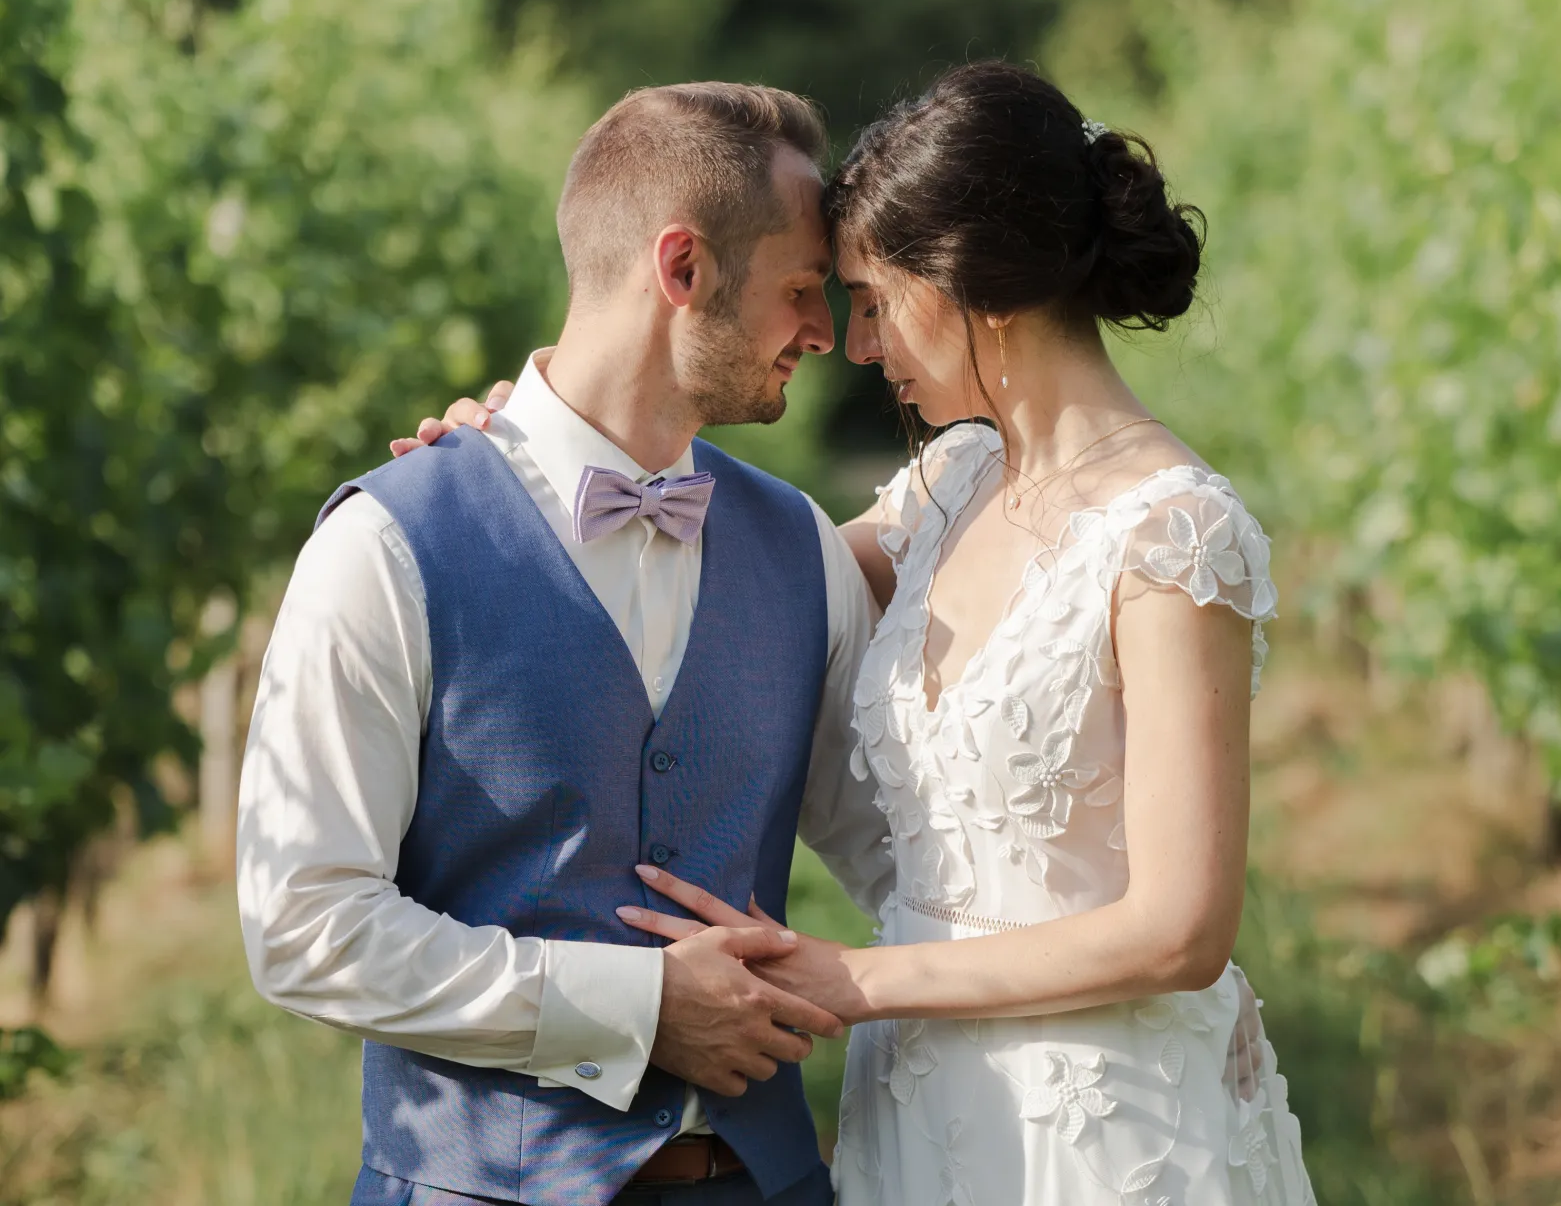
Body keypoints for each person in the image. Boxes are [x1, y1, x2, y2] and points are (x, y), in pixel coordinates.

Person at [417, 62, 1315, 1205]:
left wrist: (857, 979)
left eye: (873, 301)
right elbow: (686, 579)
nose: (854, 343)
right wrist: (527, 458)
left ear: (975, 284)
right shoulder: (949, 485)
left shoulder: (1173, 533)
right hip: (919, 1104)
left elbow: (1181, 930)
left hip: (1104, 1118)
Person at [237, 83, 895, 1206]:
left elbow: (905, 857)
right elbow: (302, 923)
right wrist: (631, 1008)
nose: (826, 332)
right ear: (682, 268)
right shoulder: (387, 545)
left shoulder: (803, 548)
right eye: (800, 289)